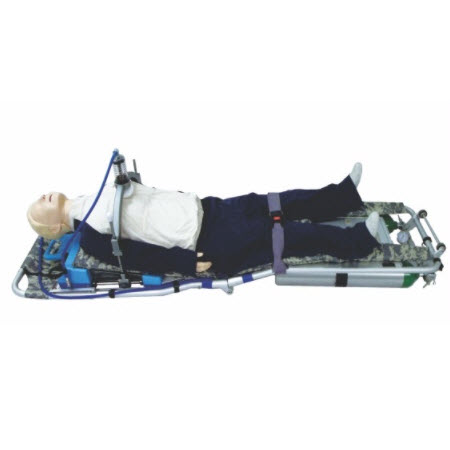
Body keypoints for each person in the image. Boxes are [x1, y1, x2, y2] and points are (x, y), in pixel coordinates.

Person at [27, 163, 380, 277]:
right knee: (283, 235)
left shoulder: (89, 198)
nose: (43, 196)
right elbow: (134, 258)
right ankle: (360, 242)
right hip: (204, 242)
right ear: (55, 229)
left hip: (205, 210)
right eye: (40, 206)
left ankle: (341, 196)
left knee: (272, 202)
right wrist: (182, 263)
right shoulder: (91, 236)